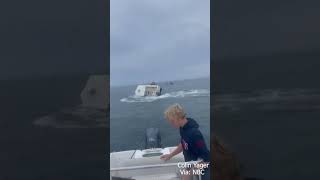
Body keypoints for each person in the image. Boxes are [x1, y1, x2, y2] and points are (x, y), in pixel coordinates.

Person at [160, 103, 210, 180]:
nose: (171, 124)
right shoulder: (182, 128)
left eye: (172, 121)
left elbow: (207, 160)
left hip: (202, 166)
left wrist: (190, 172)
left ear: (178, 118)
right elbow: (183, 143)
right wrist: (170, 155)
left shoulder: (195, 134)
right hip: (190, 163)